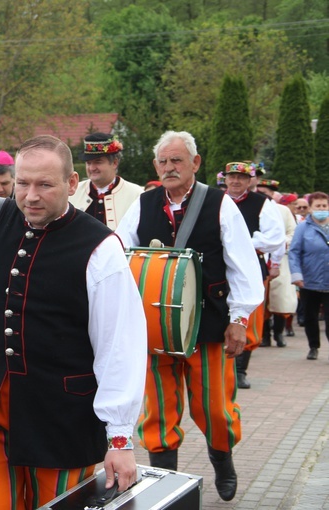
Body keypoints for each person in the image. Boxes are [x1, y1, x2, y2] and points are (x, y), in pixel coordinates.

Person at [0, 135, 146, 509]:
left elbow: (120, 347)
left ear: (72, 184)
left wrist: (120, 439)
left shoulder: (100, 248)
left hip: (62, 421)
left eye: (44, 185)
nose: (30, 196)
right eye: (22, 183)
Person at [116, 131, 263, 502]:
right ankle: (166, 487)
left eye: (177, 160)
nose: (169, 167)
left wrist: (239, 319)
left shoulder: (219, 204)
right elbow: (117, 253)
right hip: (154, 330)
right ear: (155, 166)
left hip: (208, 325)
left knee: (214, 407)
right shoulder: (143, 204)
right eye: (163, 162)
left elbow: (243, 266)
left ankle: (223, 460)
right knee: (158, 413)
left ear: (195, 163)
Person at [223, 162, 285, 388]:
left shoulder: (263, 204)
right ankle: (221, 365)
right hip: (219, 267)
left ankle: (240, 369)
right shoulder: (216, 201)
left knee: (250, 316)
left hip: (251, 266)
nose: (236, 181)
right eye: (232, 177)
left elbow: (275, 237)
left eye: (241, 177)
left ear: (250, 181)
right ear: (225, 179)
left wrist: (242, 244)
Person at [69, 132, 143, 230]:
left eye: (98, 162)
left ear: (115, 163)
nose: (92, 168)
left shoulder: (136, 195)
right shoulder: (72, 192)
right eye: (88, 163)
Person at [256, 179, 298, 347]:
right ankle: (264, 334)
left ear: (272, 194)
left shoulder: (282, 211)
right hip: (259, 259)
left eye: (266, 192)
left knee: (279, 301)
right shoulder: (253, 207)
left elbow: (292, 232)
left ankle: (279, 333)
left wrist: (280, 242)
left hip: (279, 259)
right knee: (262, 301)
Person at [289, 191, 329, 360]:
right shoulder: (303, 228)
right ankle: (313, 346)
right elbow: (294, 252)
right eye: (318, 206)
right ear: (311, 208)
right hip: (309, 280)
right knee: (310, 316)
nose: (321, 209)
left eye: (324, 206)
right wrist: (297, 275)